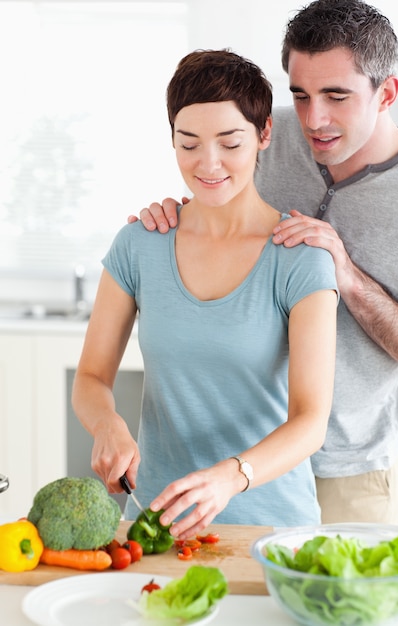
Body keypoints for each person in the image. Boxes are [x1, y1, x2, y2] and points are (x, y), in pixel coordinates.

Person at [137, 0, 398, 525]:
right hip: (237, 463)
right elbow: (209, 192)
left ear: (387, 94)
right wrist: (170, 215)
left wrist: (349, 278)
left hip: (346, 470)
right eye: (301, 94)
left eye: (337, 96)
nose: (314, 120)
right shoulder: (262, 132)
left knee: (335, 608)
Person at [72, 49, 338, 540]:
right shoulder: (140, 244)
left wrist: (231, 477)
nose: (208, 164)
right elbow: (90, 376)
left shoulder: (300, 257)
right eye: (188, 143)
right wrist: (107, 423)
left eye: (229, 142)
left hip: (271, 526)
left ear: (263, 136)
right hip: (158, 523)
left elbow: (311, 420)